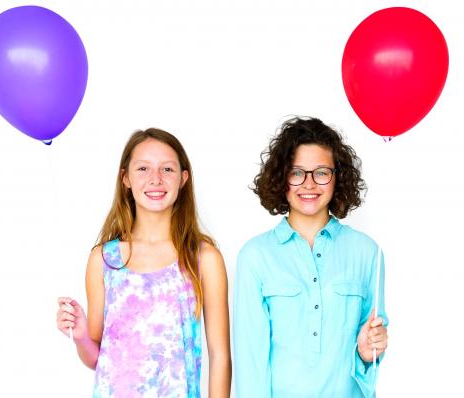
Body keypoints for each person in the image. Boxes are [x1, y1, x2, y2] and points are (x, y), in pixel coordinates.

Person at [56, 128, 231, 397]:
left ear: (184, 179)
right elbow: (97, 359)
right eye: (143, 169)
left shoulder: (203, 258)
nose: (156, 179)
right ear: (125, 177)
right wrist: (80, 336)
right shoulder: (104, 260)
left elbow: (219, 355)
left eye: (168, 169)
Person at [233, 116, 388, 398]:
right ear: (282, 178)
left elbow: (369, 359)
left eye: (321, 172)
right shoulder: (255, 256)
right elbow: (250, 360)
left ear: (337, 177)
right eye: (296, 173)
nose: (309, 184)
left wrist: (367, 354)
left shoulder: (368, 253)